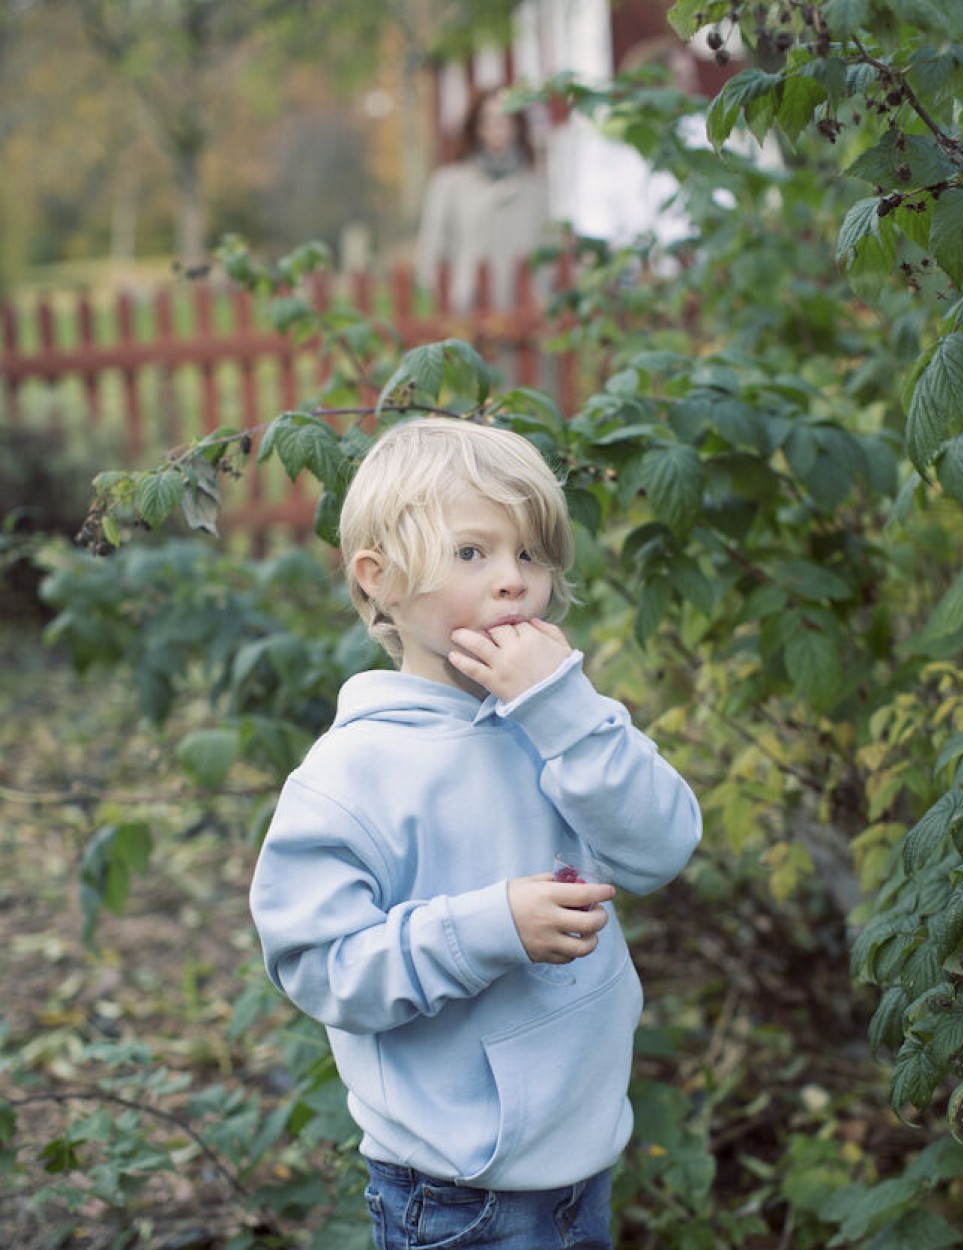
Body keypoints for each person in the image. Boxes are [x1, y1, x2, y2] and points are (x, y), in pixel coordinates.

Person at [249, 416, 702, 1250]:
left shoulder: (561, 723)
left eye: (530, 554)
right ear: (379, 579)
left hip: (583, 1161)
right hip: (458, 1192)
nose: (512, 582)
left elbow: (663, 845)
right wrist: (490, 929)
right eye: (472, 553)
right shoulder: (353, 774)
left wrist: (567, 711)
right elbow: (319, 966)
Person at [416, 88, 550, 313]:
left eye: (505, 120)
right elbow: (431, 252)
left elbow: (549, 251)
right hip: (467, 314)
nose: (497, 129)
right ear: (475, 127)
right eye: (488, 120)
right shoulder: (449, 184)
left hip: (524, 317)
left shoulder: (536, 188)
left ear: (518, 127)